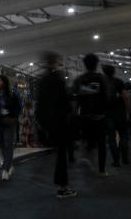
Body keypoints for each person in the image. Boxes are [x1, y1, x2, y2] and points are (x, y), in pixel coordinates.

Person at [36, 51, 77, 198]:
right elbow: (65, 103)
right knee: (61, 156)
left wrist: (42, 123)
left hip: (48, 123)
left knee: (59, 154)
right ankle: (62, 187)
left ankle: (61, 185)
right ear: (54, 62)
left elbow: (39, 104)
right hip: (59, 122)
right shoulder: (57, 79)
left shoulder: (42, 80)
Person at [72, 53, 108, 177]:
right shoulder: (101, 78)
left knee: (86, 139)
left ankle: (86, 157)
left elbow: (75, 99)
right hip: (100, 116)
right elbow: (106, 97)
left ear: (85, 65)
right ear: (96, 64)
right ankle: (102, 170)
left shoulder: (79, 80)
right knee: (102, 143)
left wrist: (75, 114)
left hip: (85, 115)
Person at [0, 75, 20, 181]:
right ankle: (9, 164)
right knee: (1, 145)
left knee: (8, 145)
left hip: (8, 124)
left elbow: (17, 108)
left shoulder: (12, 96)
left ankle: (6, 170)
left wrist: (14, 118)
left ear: (4, 82)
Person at [102, 65, 129, 166]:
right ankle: (125, 158)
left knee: (111, 139)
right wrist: (128, 111)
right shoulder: (119, 81)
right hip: (120, 113)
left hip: (108, 115)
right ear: (114, 72)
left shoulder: (102, 83)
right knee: (124, 136)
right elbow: (125, 97)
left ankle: (116, 161)